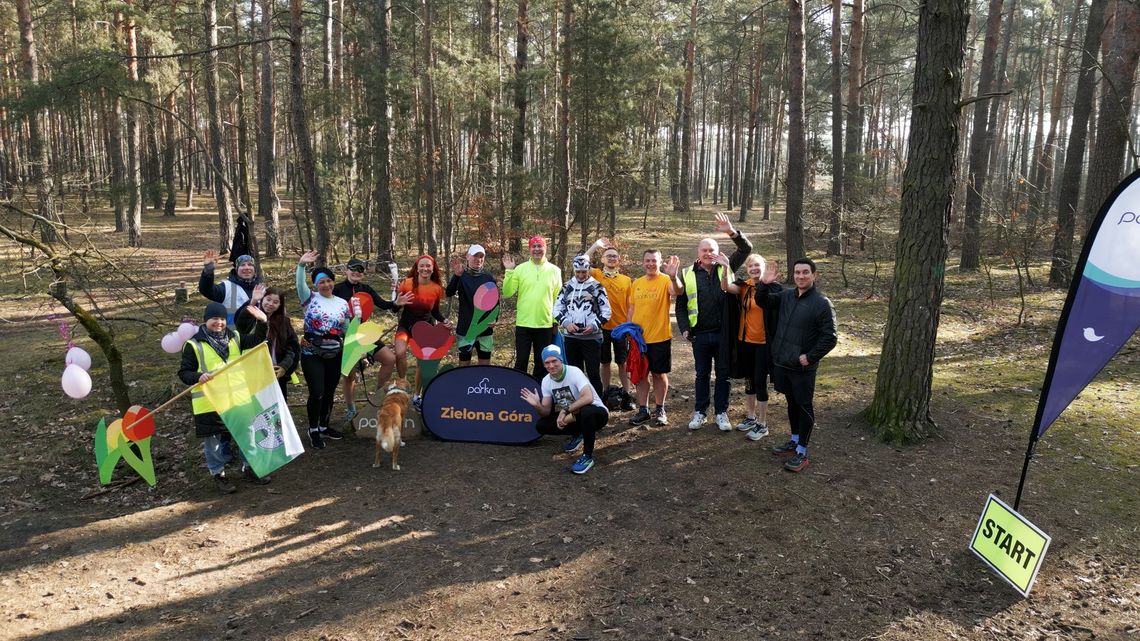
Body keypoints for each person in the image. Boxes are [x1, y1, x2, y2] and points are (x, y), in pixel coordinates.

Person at [178, 301, 271, 494]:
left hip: (238, 398)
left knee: (247, 434)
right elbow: (184, 373)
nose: (218, 323)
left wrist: (263, 322)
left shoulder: (234, 337)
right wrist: (197, 376)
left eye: (221, 319)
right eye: (214, 319)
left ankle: (250, 468)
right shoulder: (193, 345)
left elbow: (257, 341)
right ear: (206, 320)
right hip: (209, 401)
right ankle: (218, 474)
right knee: (214, 442)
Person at [756, 257, 837, 472]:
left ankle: (802, 451)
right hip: (784, 363)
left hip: (803, 368)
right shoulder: (787, 296)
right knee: (791, 403)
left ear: (814, 275)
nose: (801, 276)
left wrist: (810, 357)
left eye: (805, 273)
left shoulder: (821, 303)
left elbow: (830, 337)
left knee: (804, 406)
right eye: (797, 273)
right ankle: (793, 441)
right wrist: (763, 284)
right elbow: (762, 302)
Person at [676, 213, 754, 432]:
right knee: (701, 374)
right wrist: (683, 329)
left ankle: (721, 412)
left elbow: (746, 249)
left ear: (718, 253)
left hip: (724, 333)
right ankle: (700, 411)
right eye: (704, 250)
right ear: (698, 254)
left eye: (712, 250)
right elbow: (681, 305)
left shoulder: (726, 266)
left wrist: (731, 231)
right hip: (699, 335)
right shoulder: (686, 273)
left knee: (723, 374)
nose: (709, 254)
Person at [333, 257, 413, 419]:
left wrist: (396, 303)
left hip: (364, 333)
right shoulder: (337, 289)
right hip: (345, 336)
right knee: (349, 374)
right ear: (346, 270)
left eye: (360, 270)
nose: (356, 273)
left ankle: (377, 396)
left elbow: (384, 305)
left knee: (389, 359)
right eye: (353, 269)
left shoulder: (366, 289)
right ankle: (351, 409)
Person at [715, 252, 779, 441]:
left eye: (757, 266)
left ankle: (763, 423)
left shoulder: (774, 288)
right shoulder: (745, 287)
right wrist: (726, 267)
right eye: (750, 266)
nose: (754, 269)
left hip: (763, 344)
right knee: (749, 381)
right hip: (746, 343)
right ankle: (751, 417)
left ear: (764, 266)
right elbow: (725, 286)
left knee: (760, 382)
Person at [520, 344, 610, 475]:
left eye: (554, 361)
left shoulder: (574, 372)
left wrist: (564, 411)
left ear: (561, 360)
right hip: (574, 416)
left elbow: (588, 397)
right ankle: (579, 434)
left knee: (587, 411)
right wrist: (536, 405)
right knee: (542, 425)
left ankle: (587, 456)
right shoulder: (546, 381)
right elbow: (545, 412)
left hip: (597, 414)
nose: (551, 366)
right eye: (547, 363)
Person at [297, 250, 352, 449]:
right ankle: (313, 429)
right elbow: (299, 284)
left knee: (329, 391)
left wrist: (358, 347)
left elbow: (347, 329)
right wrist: (301, 265)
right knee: (317, 392)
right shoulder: (309, 298)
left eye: (329, 280)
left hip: (335, 353)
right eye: (321, 282)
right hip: (312, 352)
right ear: (315, 285)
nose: (326, 285)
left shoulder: (342, 303)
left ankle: (324, 426)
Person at [628, 249, 683, 426]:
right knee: (641, 375)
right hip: (639, 340)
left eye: (654, 261)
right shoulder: (636, 283)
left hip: (660, 337)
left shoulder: (666, 280)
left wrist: (674, 277)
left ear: (660, 262)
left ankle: (660, 408)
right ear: (643, 263)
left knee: (659, 374)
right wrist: (629, 329)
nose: (651, 264)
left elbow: (678, 292)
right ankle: (643, 409)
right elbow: (631, 308)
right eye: (647, 261)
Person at [502, 235, 563, 381]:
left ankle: (540, 393)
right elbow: (507, 292)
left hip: (545, 324)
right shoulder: (520, 269)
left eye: (539, 246)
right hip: (524, 323)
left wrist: (555, 321)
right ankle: (518, 392)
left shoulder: (554, 271)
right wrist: (509, 271)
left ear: (545, 249)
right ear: (529, 249)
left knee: (542, 363)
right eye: (533, 246)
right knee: (521, 361)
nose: (537, 249)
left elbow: (558, 298)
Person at [585, 238, 636, 410]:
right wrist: (596, 246)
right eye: (608, 256)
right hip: (601, 327)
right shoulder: (597, 275)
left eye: (615, 256)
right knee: (604, 362)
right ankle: (605, 392)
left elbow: (631, 305)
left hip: (621, 328)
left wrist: (629, 326)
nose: (612, 258)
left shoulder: (627, 280)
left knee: (623, 362)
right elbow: (582, 261)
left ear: (619, 260)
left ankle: (626, 394)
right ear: (603, 260)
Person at [553, 255, 611, 398]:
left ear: (588, 270)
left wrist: (594, 325)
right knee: (574, 372)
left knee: (593, 373)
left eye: (584, 272)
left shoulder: (597, 287)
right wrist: (566, 323)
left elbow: (607, 311)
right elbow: (556, 309)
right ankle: (575, 404)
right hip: (571, 337)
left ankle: (598, 403)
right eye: (577, 272)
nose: (580, 275)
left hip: (592, 338)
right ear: (574, 270)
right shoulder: (567, 287)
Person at [394, 255, 451, 398]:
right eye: (422, 266)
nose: (425, 268)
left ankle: (416, 396)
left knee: (422, 362)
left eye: (428, 266)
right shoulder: (406, 283)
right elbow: (395, 308)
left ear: (433, 269)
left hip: (425, 330)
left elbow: (435, 312)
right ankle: (403, 385)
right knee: (400, 353)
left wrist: (444, 320)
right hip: (405, 326)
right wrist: (396, 302)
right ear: (417, 268)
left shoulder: (437, 289)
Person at [236, 284, 301, 399]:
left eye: (275, 302)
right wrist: (253, 300)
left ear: (280, 305)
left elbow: (292, 347)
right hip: (252, 373)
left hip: (274, 372)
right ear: (263, 299)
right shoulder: (253, 317)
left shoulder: (284, 322)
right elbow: (241, 324)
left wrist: (284, 366)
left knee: (277, 408)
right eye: (268, 299)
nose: (271, 304)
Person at [447, 245, 498, 366]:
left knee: (484, 366)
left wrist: (495, 318)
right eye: (475, 256)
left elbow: (496, 301)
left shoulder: (488, 277)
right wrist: (456, 276)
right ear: (468, 256)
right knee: (464, 365)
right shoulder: (461, 275)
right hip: (466, 329)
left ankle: (483, 385)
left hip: (485, 329)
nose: (478, 259)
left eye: (481, 256)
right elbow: (449, 292)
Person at [199, 250, 263, 329]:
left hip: (257, 338)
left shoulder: (262, 289)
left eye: (250, 265)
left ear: (254, 269)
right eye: (242, 265)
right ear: (236, 270)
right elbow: (206, 290)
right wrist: (208, 271)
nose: (247, 267)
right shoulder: (227, 287)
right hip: (232, 337)